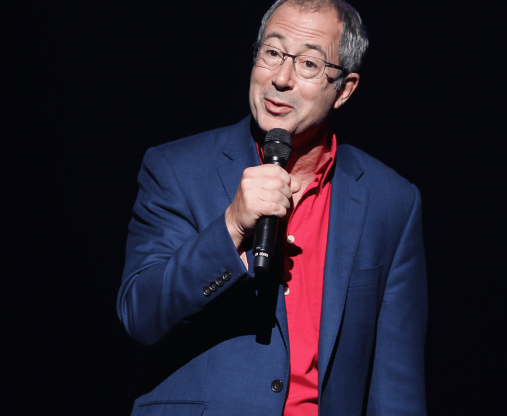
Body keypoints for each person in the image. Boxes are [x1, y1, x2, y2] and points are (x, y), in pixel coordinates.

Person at [117, 1, 427, 415]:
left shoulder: (391, 201)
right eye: (273, 52)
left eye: (309, 64)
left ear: (344, 89)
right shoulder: (177, 169)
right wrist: (230, 227)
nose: (280, 78)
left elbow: (397, 383)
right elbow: (140, 315)